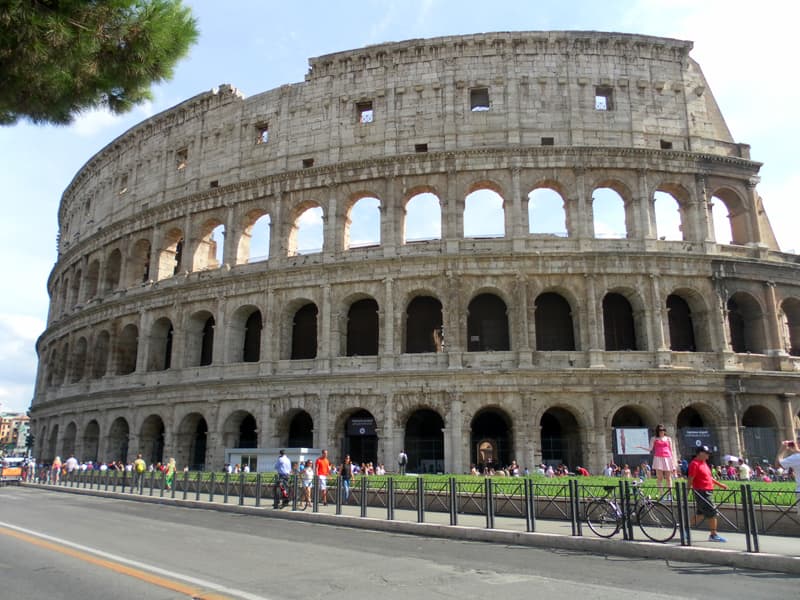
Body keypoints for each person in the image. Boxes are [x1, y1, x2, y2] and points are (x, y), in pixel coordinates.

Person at [688, 445, 729, 542]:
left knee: (701, 514)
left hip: (708, 491)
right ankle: (713, 535)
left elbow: (709, 478)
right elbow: (690, 479)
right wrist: (687, 491)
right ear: (701, 453)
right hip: (702, 492)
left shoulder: (704, 463)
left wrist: (720, 485)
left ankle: (685, 528)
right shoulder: (694, 464)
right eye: (707, 453)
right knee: (713, 513)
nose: (708, 455)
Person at [638, 424, 679, 495]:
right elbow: (650, 449)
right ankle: (661, 494)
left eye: (662, 430)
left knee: (668, 478)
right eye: (660, 430)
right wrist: (641, 447)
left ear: (664, 431)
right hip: (658, 458)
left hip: (667, 458)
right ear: (657, 431)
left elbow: (671, 451)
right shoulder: (654, 438)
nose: (661, 432)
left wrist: (673, 463)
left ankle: (670, 494)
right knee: (659, 478)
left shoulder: (668, 438)